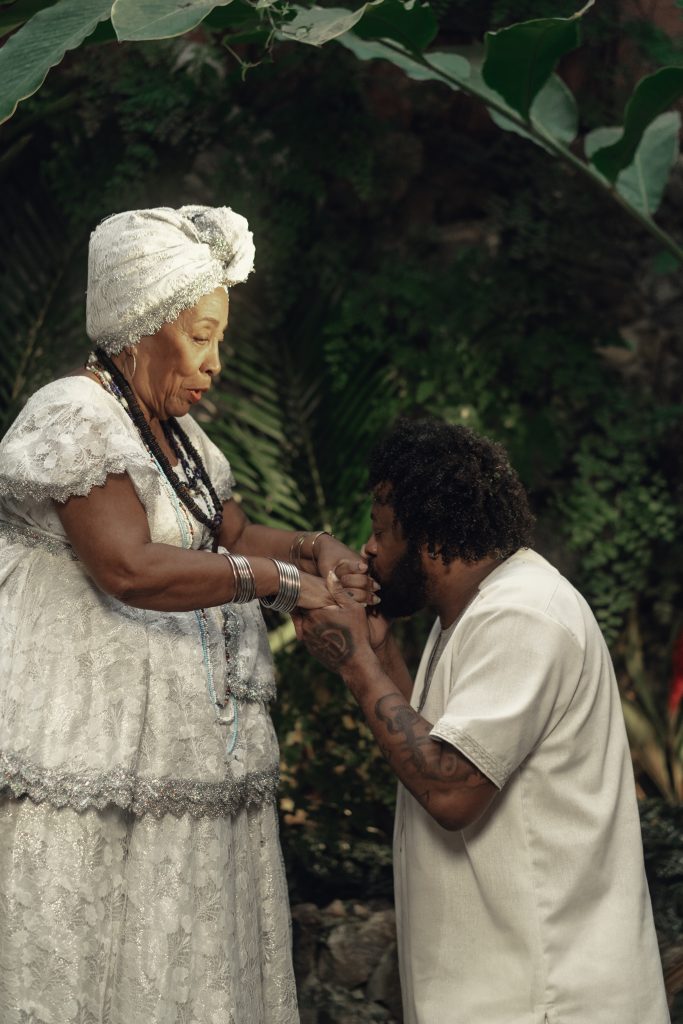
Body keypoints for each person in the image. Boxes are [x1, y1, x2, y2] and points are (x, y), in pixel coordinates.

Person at [0, 205, 376, 1024]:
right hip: (94, 743)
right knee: (94, 925)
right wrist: (279, 583)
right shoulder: (77, 417)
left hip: (185, 750)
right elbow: (127, 568)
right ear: (141, 326)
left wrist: (312, 549)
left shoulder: (181, 438)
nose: (214, 361)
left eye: (219, 338)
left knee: (181, 931)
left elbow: (226, 533)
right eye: (200, 336)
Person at [294, 417, 670, 1024]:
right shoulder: (474, 612)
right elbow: (433, 738)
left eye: (382, 532)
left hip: (548, 995)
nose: (367, 549)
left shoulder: (525, 617)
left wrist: (357, 661)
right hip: (505, 986)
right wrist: (378, 649)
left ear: (432, 537)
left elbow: (449, 789)